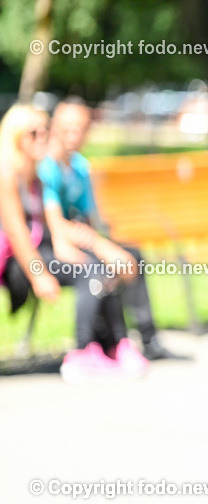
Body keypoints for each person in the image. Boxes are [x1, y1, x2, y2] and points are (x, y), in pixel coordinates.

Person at [0, 104, 148, 380]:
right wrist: (39, 275)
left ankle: (115, 345)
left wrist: (69, 244)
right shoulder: (8, 175)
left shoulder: (37, 177)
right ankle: (82, 352)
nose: (43, 137)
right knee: (89, 271)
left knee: (100, 267)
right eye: (33, 133)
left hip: (39, 252)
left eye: (45, 131)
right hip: (18, 265)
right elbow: (18, 234)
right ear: (16, 137)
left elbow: (50, 222)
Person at [38, 97, 179, 359]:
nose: (72, 135)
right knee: (104, 264)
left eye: (79, 128)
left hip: (80, 236)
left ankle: (147, 339)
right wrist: (101, 247)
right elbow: (53, 221)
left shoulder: (80, 166)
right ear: (54, 128)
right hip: (52, 243)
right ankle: (105, 343)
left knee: (132, 255)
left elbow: (89, 219)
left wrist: (103, 243)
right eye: (66, 128)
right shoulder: (46, 167)